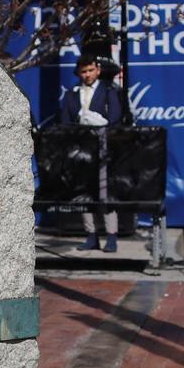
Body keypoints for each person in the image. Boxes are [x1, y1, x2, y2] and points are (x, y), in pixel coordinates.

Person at [59, 54, 125, 252]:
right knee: (84, 193)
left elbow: (115, 118)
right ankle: (91, 235)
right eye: (83, 71)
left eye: (90, 70)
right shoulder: (72, 94)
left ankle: (111, 236)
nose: (87, 75)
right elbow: (65, 121)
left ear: (97, 70)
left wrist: (100, 123)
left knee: (105, 192)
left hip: (103, 145)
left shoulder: (108, 91)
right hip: (81, 148)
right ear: (78, 73)